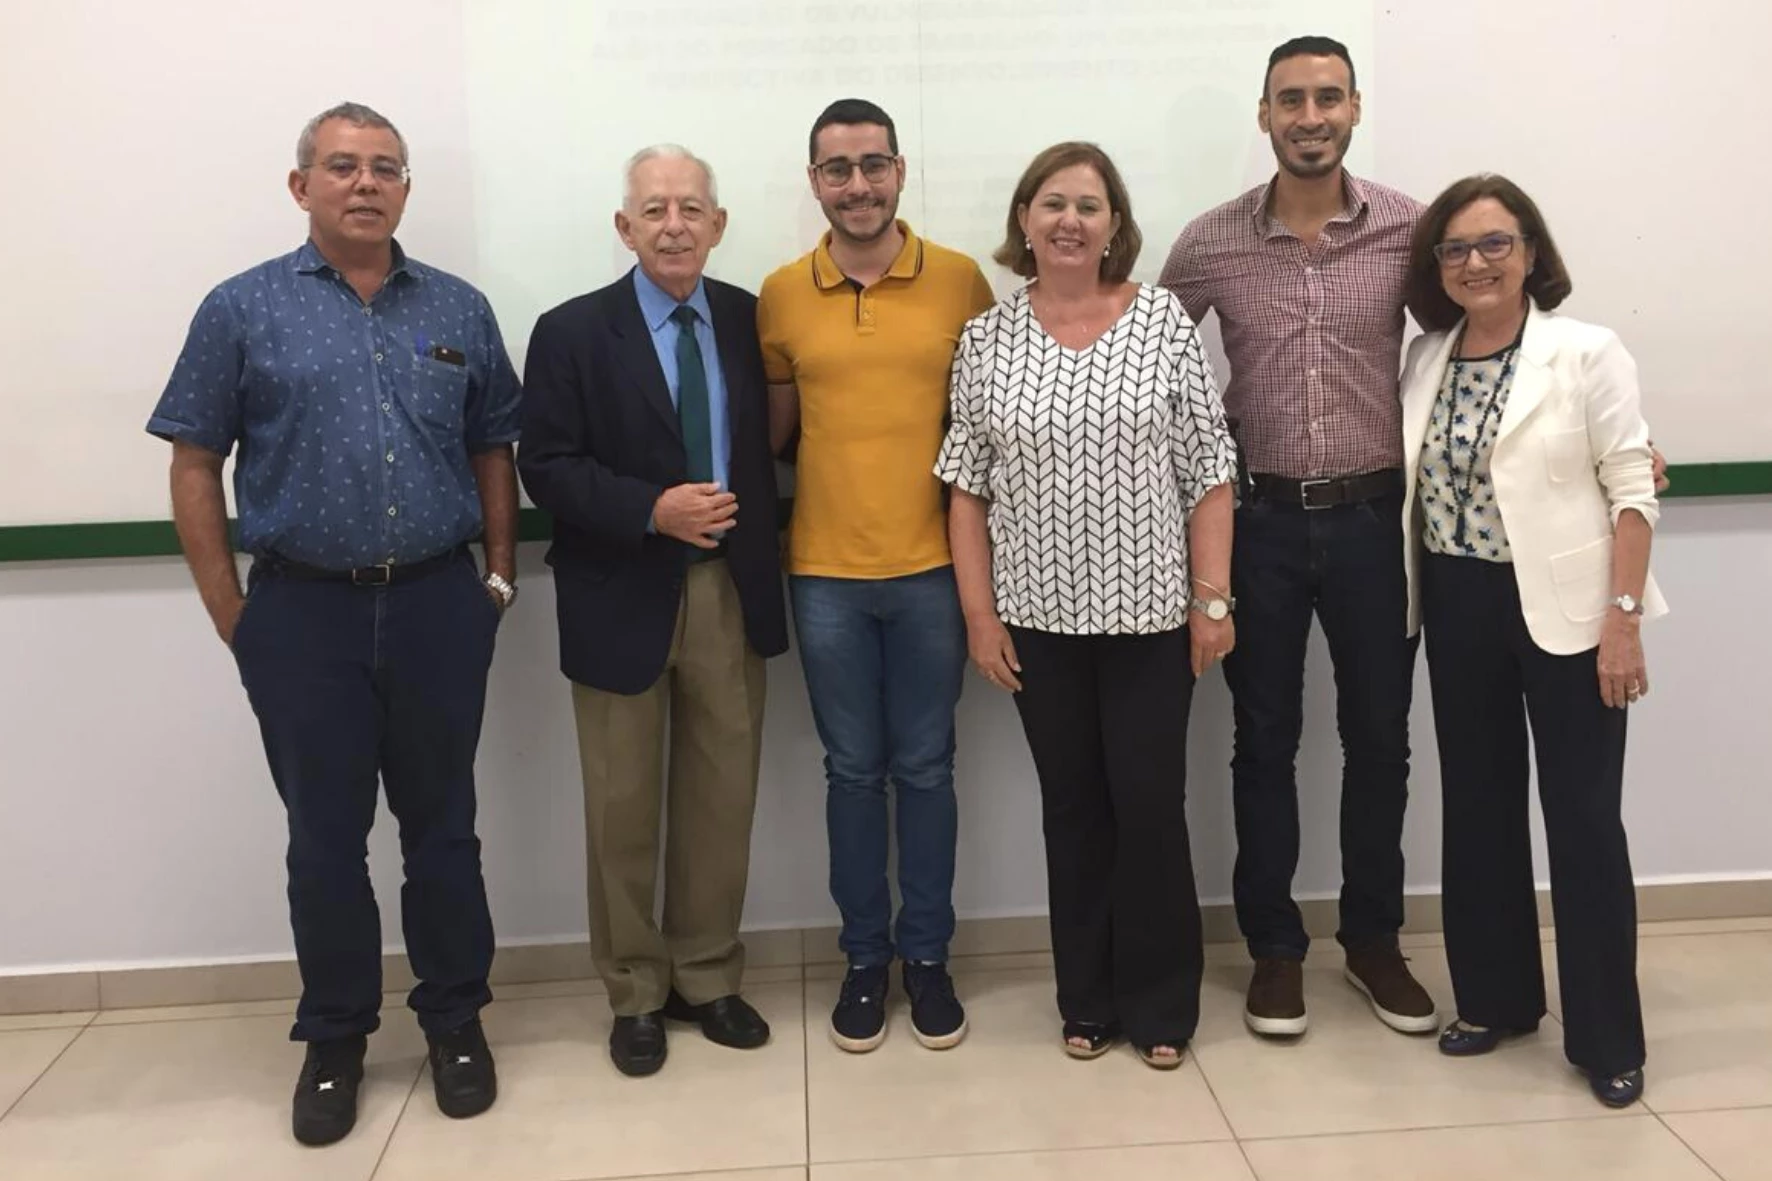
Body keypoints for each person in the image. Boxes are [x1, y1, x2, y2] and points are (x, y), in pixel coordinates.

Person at [146, 102, 518, 1146]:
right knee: (324, 840)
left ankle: (455, 1020)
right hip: (301, 613)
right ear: (300, 184)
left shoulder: (457, 305)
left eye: (385, 168)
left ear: (405, 189)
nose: (366, 183)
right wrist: (234, 613)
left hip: (439, 602)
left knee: (444, 829)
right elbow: (193, 459)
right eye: (344, 166)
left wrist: (496, 578)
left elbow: (494, 445)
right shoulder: (241, 307)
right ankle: (336, 1036)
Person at [1160, 34, 1440, 1040]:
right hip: (1260, 523)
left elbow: (1481, 337)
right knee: (1262, 739)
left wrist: (1600, 438)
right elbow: (1146, 361)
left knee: (1380, 739)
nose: (1309, 117)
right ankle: (1274, 948)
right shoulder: (1209, 242)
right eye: (1290, 100)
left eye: (1327, 97)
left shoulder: (1412, 230)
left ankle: (1371, 939)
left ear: (1354, 108)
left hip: (1375, 522)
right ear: (1264, 116)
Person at [938, 142, 1236, 1068]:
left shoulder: (1162, 322)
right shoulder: (985, 339)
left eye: (1089, 205)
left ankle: (1161, 1005)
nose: (1070, 220)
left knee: (1149, 808)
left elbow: (1209, 472)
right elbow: (966, 490)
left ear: (1115, 226)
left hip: (1152, 621)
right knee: (1072, 811)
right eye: (1053, 203)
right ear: (1024, 221)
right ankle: (1088, 998)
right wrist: (980, 617)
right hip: (1037, 625)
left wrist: (1212, 600)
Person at [518, 145, 788, 1078]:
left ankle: (706, 977)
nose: (674, 225)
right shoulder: (570, 330)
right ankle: (635, 989)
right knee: (621, 807)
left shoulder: (751, 319)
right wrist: (649, 508)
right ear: (624, 226)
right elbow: (544, 464)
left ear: (718, 224)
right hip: (618, 591)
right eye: (655, 209)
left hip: (728, 589)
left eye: (691, 208)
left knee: (722, 799)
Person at [1400, 174, 1665, 1108]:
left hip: (1572, 611)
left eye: (1495, 243)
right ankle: (1496, 999)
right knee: (1477, 809)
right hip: (1457, 601)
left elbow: (1632, 487)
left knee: (1584, 821)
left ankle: (1607, 1037)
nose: (1475, 262)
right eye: (1455, 249)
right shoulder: (1425, 357)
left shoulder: (1586, 351)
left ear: (1531, 253)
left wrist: (1622, 619)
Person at [758, 99, 994, 1053]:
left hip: (936, 570)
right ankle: (864, 959)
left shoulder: (962, 281)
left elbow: (987, 430)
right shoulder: (781, 293)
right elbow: (774, 438)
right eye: (837, 169)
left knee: (927, 768)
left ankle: (927, 957)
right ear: (815, 181)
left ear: (899, 170)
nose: (857, 185)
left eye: (872, 165)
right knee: (852, 773)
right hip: (823, 575)